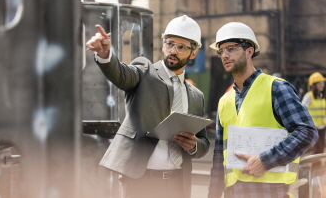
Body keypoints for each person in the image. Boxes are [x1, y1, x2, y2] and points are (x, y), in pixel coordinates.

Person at [86, 15, 210, 198]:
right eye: (169, 43)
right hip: (142, 182)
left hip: (178, 184)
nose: (173, 50)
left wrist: (194, 146)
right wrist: (106, 56)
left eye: (181, 47)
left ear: (193, 53)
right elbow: (122, 75)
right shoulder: (145, 70)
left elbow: (204, 142)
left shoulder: (196, 96)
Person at [207, 22, 319, 198]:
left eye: (231, 48)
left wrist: (265, 160)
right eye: (221, 51)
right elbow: (219, 158)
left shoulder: (276, 88)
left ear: (249, 50)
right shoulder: (224, 101)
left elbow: (307, 132)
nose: (224, 55)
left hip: (271, 192)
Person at [302, 72, 326, 154]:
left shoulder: (321, 97)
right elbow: (301, 110)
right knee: (317, 149)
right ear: (314, 85)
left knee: (321, 149)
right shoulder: (309, 96)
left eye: (323, 83)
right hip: (314, 128)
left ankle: (317, 166)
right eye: (320, 83)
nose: (322, 85)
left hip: (322, 127)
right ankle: (315, 166)